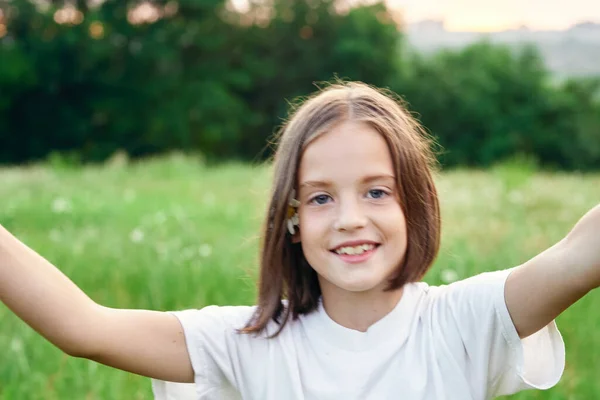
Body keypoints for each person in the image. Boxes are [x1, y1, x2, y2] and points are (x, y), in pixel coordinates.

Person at [1, 82, 599, 400]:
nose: (347, 219)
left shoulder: (465, 320)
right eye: (319, 197)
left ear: (414, 204)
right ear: (291, 220)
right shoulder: (247, 343)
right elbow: (84, 328)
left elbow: (580, 255)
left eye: (376, 192)